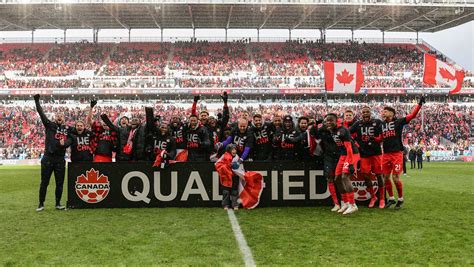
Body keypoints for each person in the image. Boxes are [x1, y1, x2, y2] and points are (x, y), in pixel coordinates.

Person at [381, 96, 425, 209]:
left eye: (385, 111)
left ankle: (400, 199)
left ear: (391, 113)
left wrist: (419, 104)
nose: (383, 113)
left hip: (396, 153)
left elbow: (412, 116)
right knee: (385, 177)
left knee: (395, 178)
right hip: (385, 154)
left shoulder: (398, 122)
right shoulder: (381, 125)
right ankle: (391, 198)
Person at [33, 94, 72, 211]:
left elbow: (74, 138)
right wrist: (37, 101)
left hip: (60, 159)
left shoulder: (68, 129)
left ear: (64, 119)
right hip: (48, 158)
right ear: (55, 117)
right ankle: (41, 203)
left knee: (59, 183)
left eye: (61, 116)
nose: (59, 117)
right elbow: (41, 113)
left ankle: (58, 203)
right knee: (44, 182)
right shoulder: (49, 125)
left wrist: (65, 143)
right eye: (58, 115)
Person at [350, 106, 385, 208]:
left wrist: (378, 139)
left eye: (367, 112)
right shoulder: (358, 124)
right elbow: (348, 133)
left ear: (370, 113)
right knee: (365, 175)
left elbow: (383, 134)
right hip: (364, 154)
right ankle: (373, 197)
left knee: (379, 175)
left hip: (376, 153)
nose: (365, 114)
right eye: (363, 112)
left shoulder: (377, 122)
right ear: (361, 114)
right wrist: (355, 143)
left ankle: (382, 198)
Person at [325, 113, 360, 215]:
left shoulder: (342, 131)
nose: (328, 122)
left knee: (345, 177)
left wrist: (350, 163)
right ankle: (345, 203)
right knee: (337, 178)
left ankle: (353, 205)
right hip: (343, 154)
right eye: (327, 121)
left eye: (331, 120)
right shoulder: (332, 130)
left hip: (351, 154)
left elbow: (349, 148)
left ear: (337, 121)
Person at [215, 144, 240, 210]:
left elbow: (239, 166)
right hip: (226, 177)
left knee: (234, 191)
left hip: (234, 176)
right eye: (232, 149)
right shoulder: (224, 156)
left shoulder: (237, 157)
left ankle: (235, 205)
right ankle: (225, 205)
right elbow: (217, 164)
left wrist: (237, 165)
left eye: (235, 149)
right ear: (229, 150)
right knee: (226, 191)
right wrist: (226, 167)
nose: (234, 151)